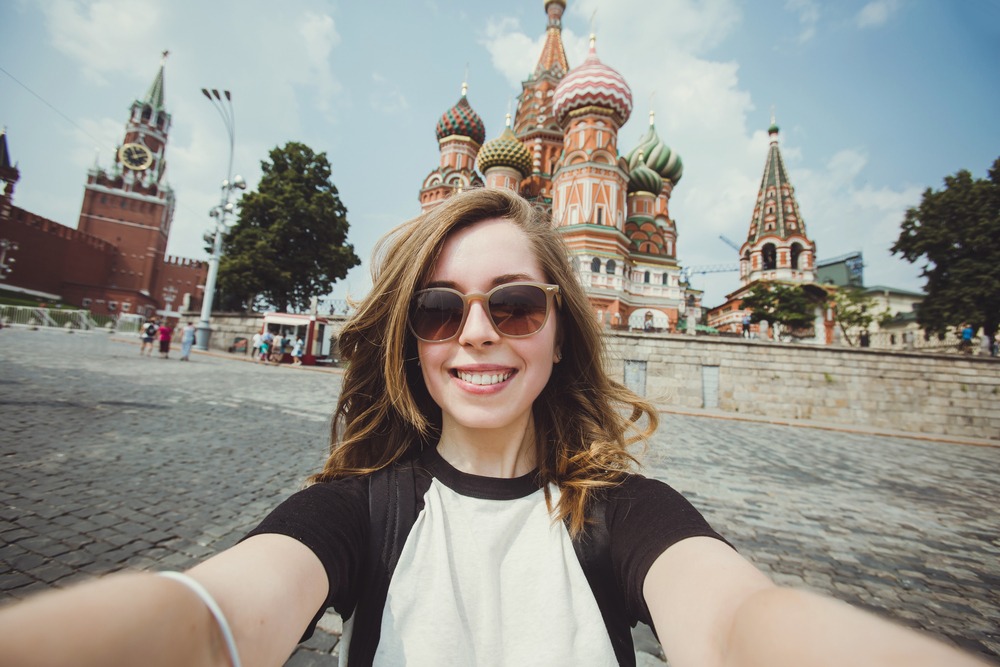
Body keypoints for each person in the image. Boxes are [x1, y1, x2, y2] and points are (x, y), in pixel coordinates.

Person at [0, 189, 988, 667]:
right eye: (438, 309)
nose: (476, 332)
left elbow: (739, 625)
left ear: (560, 331)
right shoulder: (356, 511)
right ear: (409, 340)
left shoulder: (619, 514)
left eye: (515, 304)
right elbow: (208, 620)